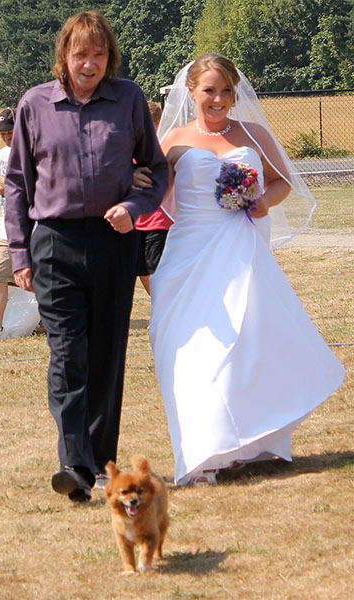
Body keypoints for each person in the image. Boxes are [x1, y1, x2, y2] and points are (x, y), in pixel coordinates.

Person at [148, 53, 345, 486]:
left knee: (245, 347)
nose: (218, 99)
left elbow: (282, 182)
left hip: (240, 248)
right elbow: (153, 191)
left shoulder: (252, 134)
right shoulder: (174, 139)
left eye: (226, 91)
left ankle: (244, 444)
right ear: (192, 92)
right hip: (189, 253)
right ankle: (200, 448)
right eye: (209, 90)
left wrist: (259, 202)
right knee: (185, 347)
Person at [5, 11, 168, 501]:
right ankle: (73, 465)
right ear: (65, 56)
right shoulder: (35, 104)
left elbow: (156, 169)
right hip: (53, 243)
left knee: (106, 354)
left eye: (99, 54)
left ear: (109, 57)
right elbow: (17, 184)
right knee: (67, 354)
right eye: (81, 54)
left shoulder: (129, 100)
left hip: (115, 239)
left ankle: (100, 461)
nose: (90, 63)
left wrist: (134, 206)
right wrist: (20, 252)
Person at [134, 101, 173, 295]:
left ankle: (164, 307)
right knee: (141, 269)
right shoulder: (132, 144)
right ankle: (160, 305)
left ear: (158, 122)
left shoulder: (164, 146)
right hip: (135, 219)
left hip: (158, 219)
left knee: (155, 267)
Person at [0, 108, 15, 339]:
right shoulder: (0, 157)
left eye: (9, 131)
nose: (6, 136)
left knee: (36, 279)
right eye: (2, 132)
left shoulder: (33, 151)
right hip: (6, 226)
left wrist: (5, 183)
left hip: (34, 225)